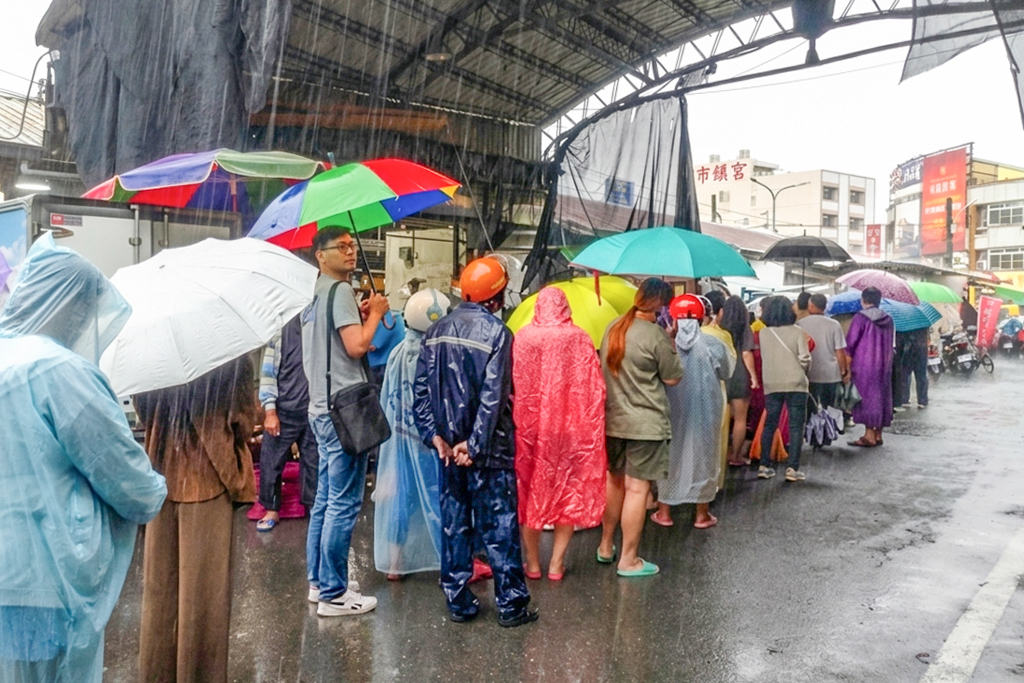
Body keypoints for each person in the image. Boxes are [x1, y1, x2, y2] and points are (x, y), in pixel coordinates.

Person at [0, 235, 167, 683]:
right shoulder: (59, 371)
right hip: (48, 580)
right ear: (66, 305)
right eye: (81, 309)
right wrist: (156, 488)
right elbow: (127, 482)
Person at [412, 257, 537, 627]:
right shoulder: (499, 334)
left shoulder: (435, 332)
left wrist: (433, 435)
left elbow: (420, 390)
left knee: (454, 526)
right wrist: (476, 444)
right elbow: (493, 397)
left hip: (448, 451)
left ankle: (459, 601)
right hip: (488, 452)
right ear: (496, 297)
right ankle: (511, 606)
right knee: (499, 529)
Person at [135, 354, 257, 682]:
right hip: (208, 478)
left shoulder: (152, 352)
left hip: (162, 474)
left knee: (160, 597)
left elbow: (144, 412)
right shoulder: (230, 353)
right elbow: (243, 420)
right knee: (204, 601)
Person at [302, 226, 390, 617]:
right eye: (341, 247)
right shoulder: (338, 292)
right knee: (343, 502)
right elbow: (356, 347)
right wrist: (379, 314)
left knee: (324, 499)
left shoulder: (314, 295)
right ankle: (335, 594)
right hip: (344, 410)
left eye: (352, 246)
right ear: (321, 255)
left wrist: (365, 318)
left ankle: (319, 581)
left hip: (321, 408)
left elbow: (342, 347)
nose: (351, 252)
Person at [513, 287, 607, 580]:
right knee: (568, 493)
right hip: (570, 430)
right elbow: (595, 387)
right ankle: (556, 564)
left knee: (530, 492)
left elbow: (511, 383)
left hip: (530, 430)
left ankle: (532, 563)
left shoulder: (523, 338)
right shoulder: (579, 338)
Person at [597, 278, 682, 578]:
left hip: (612, 421)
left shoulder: (613, 327)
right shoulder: (656, 335)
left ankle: (606, 546)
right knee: (637, 489)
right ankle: (629, 559)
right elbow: (672, 378)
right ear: (661, 305)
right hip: (645, 425)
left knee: (614, 482)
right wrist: (671, 340)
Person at [374, 288, 450, 579]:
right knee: (439, 496)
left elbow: (386, 397)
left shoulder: (398, 351)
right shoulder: (435, 354)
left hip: (399, 437)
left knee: (398, 499)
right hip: (430, 440)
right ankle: (447, 559)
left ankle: (395, 564)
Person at [654, 294, 734, 529]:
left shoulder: (665, 344)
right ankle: (701, 515)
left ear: (674, 319)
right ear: (701, 318)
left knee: (670, 456)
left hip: (671, 412)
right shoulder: (713, 344)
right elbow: (727, 371)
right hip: (705, 412)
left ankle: (664, 512)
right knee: (704, 457)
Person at [256, 313, 319, 531]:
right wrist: (270, 411)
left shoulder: (319, 324)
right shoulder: (280, 327)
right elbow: (268, 372)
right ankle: (271, 508)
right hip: (284, 408)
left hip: (314, 408)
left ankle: (313, 510)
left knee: (313, 462)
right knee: (271, 461)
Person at [757, 296, 812, 482]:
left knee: (770, 424)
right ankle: (792, 468)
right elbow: (805, 358)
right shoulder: (797, 332)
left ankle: (764, 466)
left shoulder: (764, 333)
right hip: (796, 383)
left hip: (772, 383)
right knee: (796, 426)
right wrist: (803, 370)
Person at [845, 286, 895, 447]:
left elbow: (851, 342)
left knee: (867, 398)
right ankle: (878, 433)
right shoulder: (888, 319)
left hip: (864, 364)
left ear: (863, 300)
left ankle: (869, 435)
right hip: (885, 363)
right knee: (882, 396)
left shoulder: (860, 318)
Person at [698, 290, 736, 488]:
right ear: (719, 311)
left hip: (684, 394)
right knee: (715, 438)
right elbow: (728, 369)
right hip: (714, 390)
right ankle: (712, 484)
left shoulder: (680, 337)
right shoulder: (721, 336)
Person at [720, 295, 759, 467]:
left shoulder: (718, 328)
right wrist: (753, 376)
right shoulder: (745, 329)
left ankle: (719, 457)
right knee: (740, 419)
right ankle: (736, 457)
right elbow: (746, 353)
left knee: (721, 419)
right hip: (739, 374)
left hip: (721, 375)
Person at [797, 293, 850, 413]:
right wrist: (843, 371)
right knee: (830, 410)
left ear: (810, 306)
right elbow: (840, 351)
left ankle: (813, 431)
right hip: (830, 375)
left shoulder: (800, 325)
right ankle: (829, 431)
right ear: (825, 307)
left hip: (809, 374)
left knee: (810, 410)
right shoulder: (834, 325)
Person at [894, 328, 929, 410]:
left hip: (908, 351)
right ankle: (922, 400)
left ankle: (905, 399)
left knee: (905, 376)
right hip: (921, 350)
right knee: (921, 376)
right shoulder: (923, 323)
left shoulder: (904, 324)